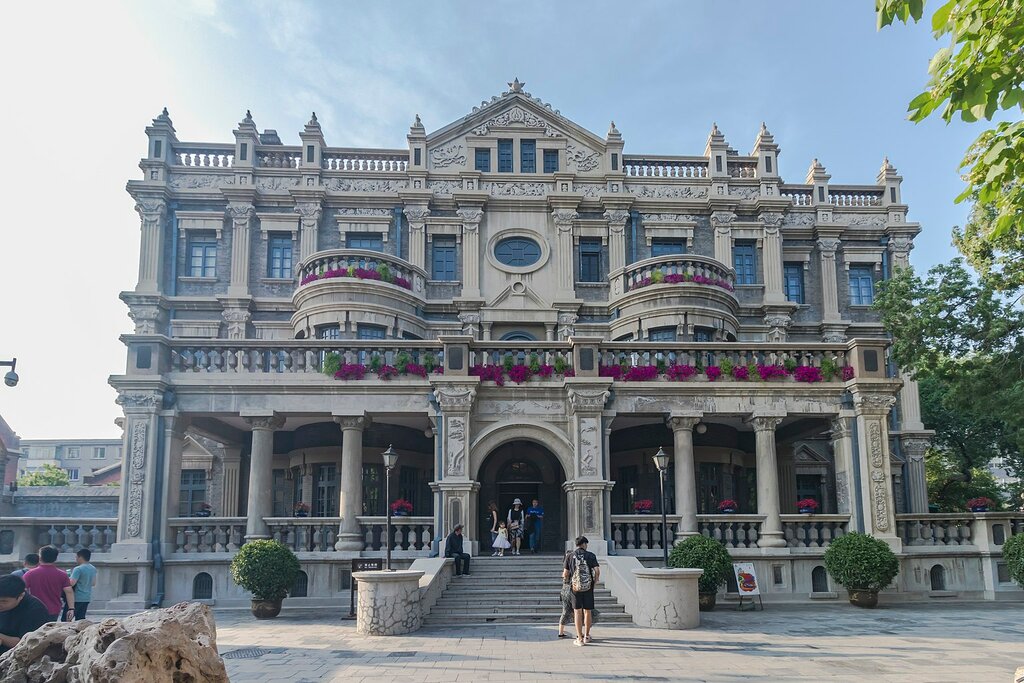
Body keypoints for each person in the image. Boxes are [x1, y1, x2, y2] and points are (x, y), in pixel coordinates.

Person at [562, 535, 600, 646]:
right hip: (588, 587)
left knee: (577, 612)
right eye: (586, 544)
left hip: (575, 588)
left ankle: (579, 638)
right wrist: (595, 580)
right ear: (584, 544)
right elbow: (597, 569)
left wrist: (566, 582)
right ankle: (587, 636)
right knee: (587, 611)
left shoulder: (570, 556)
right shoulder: (590, 555)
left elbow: (565, 573)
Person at [0, 575, 50, 655]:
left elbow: (26, 643)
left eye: (4, 601)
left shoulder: (35, 610)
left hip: (17, 657)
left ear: (21, 596)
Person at [23, 546, 74, 622]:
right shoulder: (62, 574)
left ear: (40, 558)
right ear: (55, 559)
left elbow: (21, 590)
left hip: (35, 609)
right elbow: (69, 592)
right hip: (54, 610)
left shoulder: (30, 574)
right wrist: (71, 608)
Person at [67, 549, 97, 621]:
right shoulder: (93, 568)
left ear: (80, 557)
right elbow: (93, 583)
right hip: (86, 597)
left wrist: (67, 577)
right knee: (80, 620)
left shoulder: (78, 569)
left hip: (76, 598)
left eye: (76, 557)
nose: (76, 559)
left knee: (67, 619)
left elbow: (71, 583)